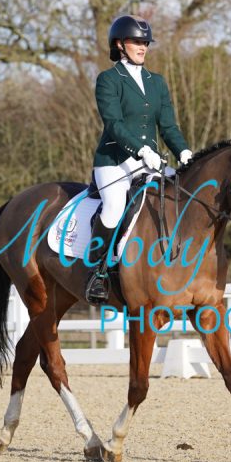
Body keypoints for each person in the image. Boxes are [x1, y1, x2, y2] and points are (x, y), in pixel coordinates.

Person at [85, 15, 193, 305]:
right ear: (120, 44)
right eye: (136, 41)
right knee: (113, 208)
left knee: (180, 197)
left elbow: (167, 126)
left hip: (150, 162)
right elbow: (114, 124)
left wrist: (183, 151)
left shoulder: (156, 82)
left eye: (146, 42)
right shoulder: (109, 80)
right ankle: (98, 273)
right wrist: (141, 150)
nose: (143, 47)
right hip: (114, 162)